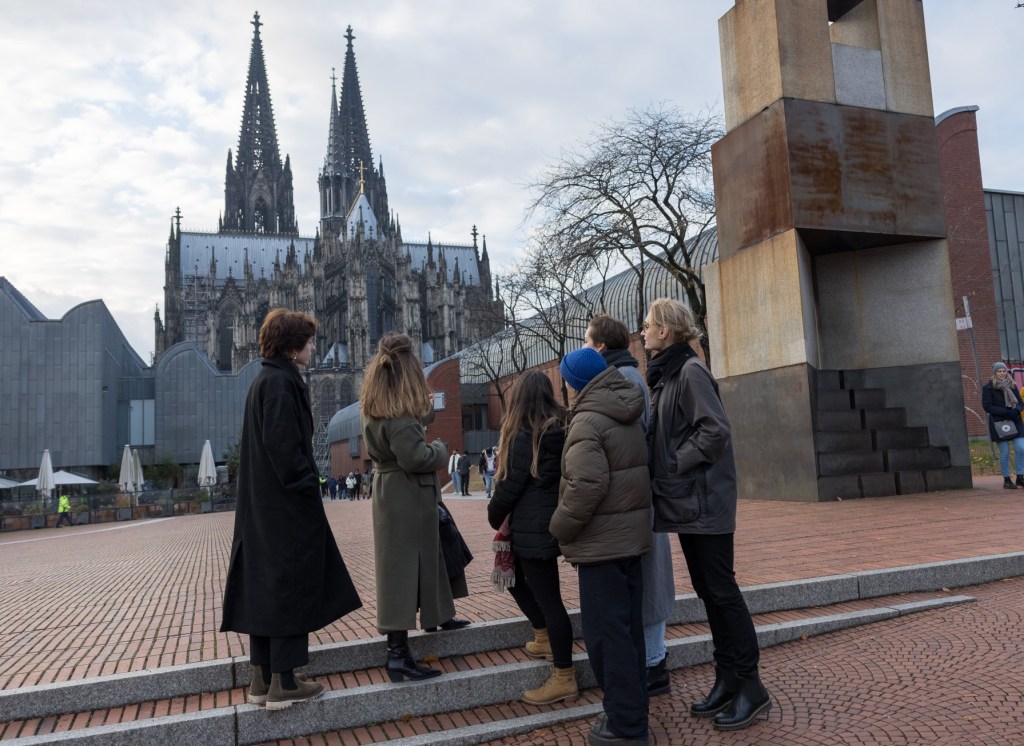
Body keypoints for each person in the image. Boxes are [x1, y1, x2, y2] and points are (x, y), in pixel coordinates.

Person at [221, 308, 361, 711]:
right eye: (310, 341)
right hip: (284, 510)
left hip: (263, 509)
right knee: (288, 584)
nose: (315, 347)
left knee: (265, 586)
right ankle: (285, 682)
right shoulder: (281, 384)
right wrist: (308, 488)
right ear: (292, 345)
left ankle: (263, 676)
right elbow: (286, 452)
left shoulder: (264, 381)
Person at [642, 298, 771, 731]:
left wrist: (676, 463)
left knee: (721, 591)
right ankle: (728, 678)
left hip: (704, 501)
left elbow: (714, 429)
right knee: (709, 592)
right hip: (688, 502)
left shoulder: (690, 371)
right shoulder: (669, 374)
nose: (642, 332)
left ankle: (751, 686)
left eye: (648, 326)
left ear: (666, 331)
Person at [550, 347, 651, 746]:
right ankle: (632, 711)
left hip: (602, 547)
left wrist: (558, 528)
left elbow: (586, 486)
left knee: (607, 638)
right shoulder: (624, 408)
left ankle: (625, 726)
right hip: (628, 542)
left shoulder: (588, 421)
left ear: (574, 383)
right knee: (628, 633)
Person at [585, 314, 675, 696]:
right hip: (635, 499)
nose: (586, 347)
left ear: (602, 346)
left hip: (633, 501)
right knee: (647, 580)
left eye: (588, 341)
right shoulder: (627, 376)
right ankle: (653, 661)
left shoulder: (622, 381)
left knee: (648, 583)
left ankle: (654, 664)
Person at [360, 332, 454, 682]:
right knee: (402, 572)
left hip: (392, 492)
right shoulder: (399, 413)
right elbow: (414, 454)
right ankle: (397, 655)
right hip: (406, 492)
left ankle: (432, 621)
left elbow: (404, 427)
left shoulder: (379, 402)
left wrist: (424, 415)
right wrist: (442, 451)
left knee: (405, 565)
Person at [487, 370, 576, 705]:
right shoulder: (560, 425)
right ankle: (541, 634)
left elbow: (510, 486)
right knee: (521, 582)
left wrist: (493, 515)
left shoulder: (527, 433)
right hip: (546, 523)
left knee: (549, 599)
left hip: (531, 527)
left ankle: (564, 675)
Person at [983, 361, 1024, 489]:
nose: (1002, 373)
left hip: (1015, 420)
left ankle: (1020, 476)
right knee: (1005, 452)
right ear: (995, 372)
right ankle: (1007, 479)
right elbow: (987, 406)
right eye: (999, 371)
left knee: (1021, 447)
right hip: (999, 422)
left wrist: (1016, 410)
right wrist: (1007, 412)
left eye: (1004, 371)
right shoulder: (988, 387)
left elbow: (1020, 402)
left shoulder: (1012, 385)